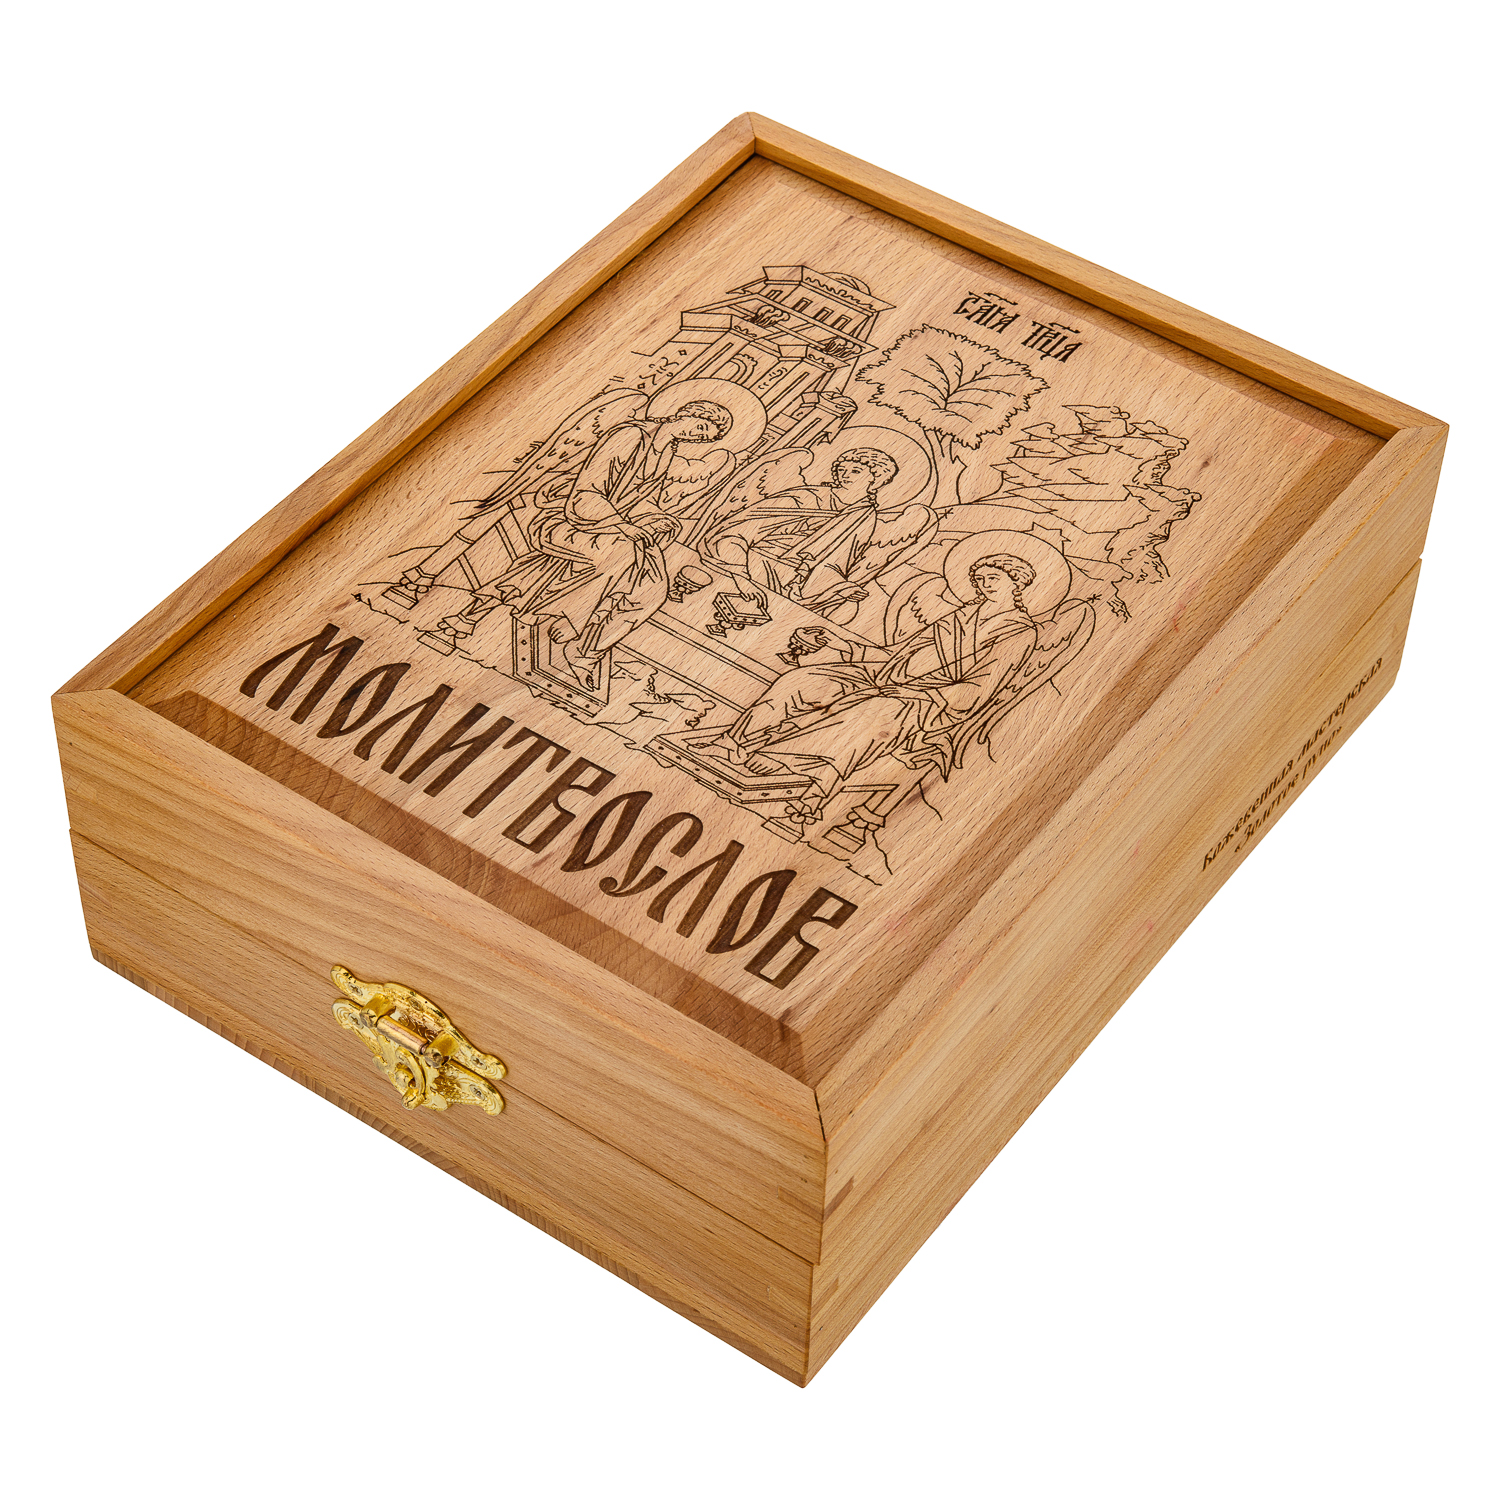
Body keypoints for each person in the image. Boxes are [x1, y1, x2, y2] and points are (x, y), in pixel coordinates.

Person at [705, 553, 1040, 814]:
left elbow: (978, 690)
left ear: (1017, 583)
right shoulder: (959, 616)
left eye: (993, 578)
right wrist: (840, 643)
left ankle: (802, 771)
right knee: (801, 679)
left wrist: (917, 692)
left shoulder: (1019, 631)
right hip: (884, 678)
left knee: (878, 710)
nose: (984, 585)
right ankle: (733, 743)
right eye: (980, 579)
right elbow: (896, 655)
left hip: (930, 703)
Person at [530, 400, 734, 682]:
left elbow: (641, 501)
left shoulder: (666, 452)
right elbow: (586, 493)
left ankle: (586, 653)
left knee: (654, 588)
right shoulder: (630, 435)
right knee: (625, 556)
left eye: (703, 438)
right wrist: (623, 526)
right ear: (686, 413)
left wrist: (658, 518)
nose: (696, 437)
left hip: (615, 533)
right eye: (700, 427)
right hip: (571, 523)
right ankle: (571, 617)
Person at [699, 447, 903, 610]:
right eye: (842, 469)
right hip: (752, 563)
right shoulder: (805, 496)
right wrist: (743, 579)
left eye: (856, 471)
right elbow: (737, 532)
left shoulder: (864, 516)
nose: (845, 475)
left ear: (876, 479)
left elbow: (836, 561)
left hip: (798, 579)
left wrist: (840, 587)